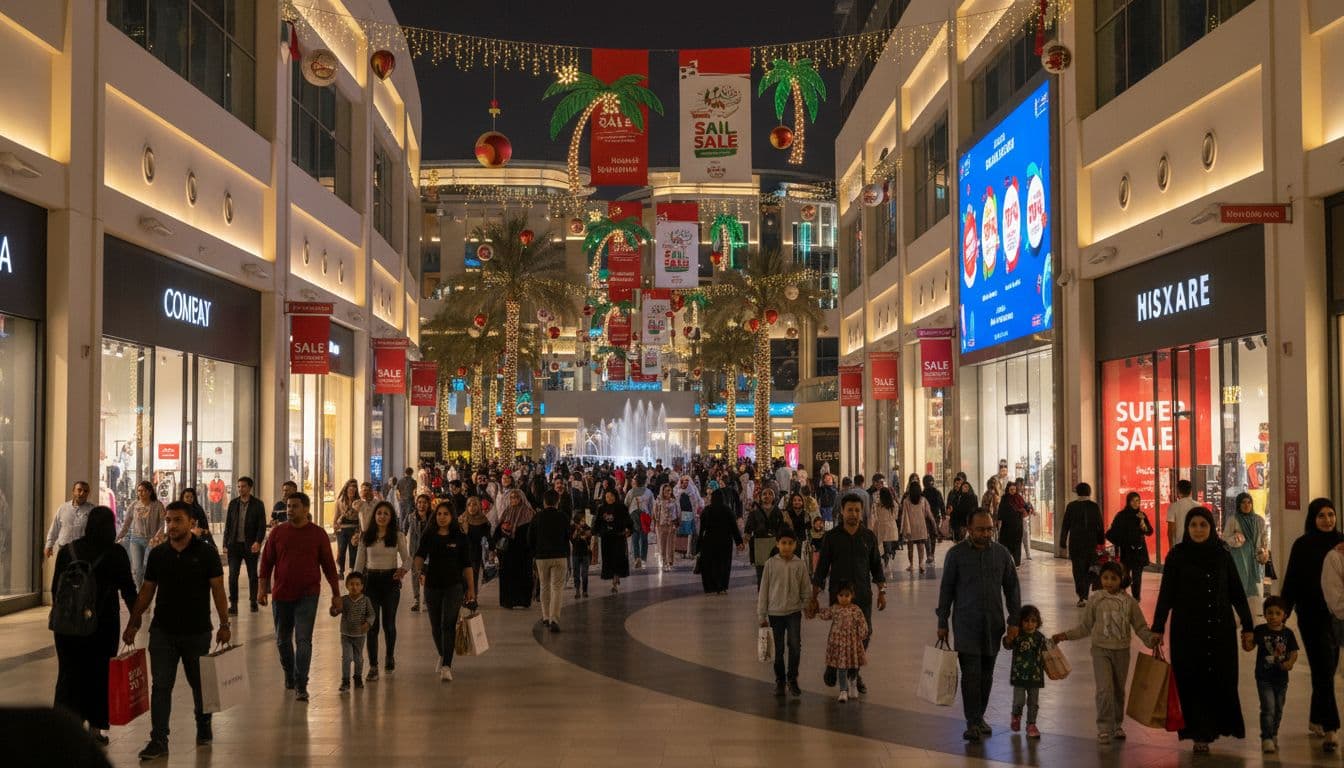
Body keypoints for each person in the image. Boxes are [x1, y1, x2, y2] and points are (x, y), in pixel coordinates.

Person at [121, 502, 229, 761]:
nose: (171, 526)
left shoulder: (206, 554)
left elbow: (217, 590)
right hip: (163, 632)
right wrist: (134, 622)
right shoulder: (158, 555)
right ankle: (159, 738)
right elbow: (147, 590)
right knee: (161, 686)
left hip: (197, 631)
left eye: (177, 520)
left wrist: (225, 624)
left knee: (199, 684)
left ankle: (203, 722)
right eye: (168, 520)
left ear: (191, 523)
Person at [1151, 506, 1255, 753]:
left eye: (1203, 525)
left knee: (1218, 679)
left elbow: (1237, 593)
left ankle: (1213, 728)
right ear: (1187, 528)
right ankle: (1199, 732)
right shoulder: (1177, 556)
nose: (1198, 530)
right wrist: (1157, 627)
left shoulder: (1222, 554)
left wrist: (1248, 626)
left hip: (1220, 629)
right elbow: (1166, 594)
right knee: (1192, 680)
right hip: (1187, 630)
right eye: (1193, 525)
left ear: (1211, 527)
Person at [51, 506, 136, 745]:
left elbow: (55, 587)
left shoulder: (68, 550)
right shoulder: (116, 552)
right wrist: (134, 622)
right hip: (103, 624)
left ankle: (66, 728)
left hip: (68, 627)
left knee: (68, 675)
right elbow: (129, 590)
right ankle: (95, 730)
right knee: (99, 676)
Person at [936, 510, 1022, 742]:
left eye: (989, 529)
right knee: (971, 674)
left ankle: (979, 715)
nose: (986, 533)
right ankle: (972, 720)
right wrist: (942, 621)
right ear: (968, 529)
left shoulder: (1002, 554)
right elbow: (946, 591)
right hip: (966, 625)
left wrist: (1015, 620)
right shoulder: (956, 555)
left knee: (987, 675)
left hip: (993, 626)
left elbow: (1012, 588)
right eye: (981, 529)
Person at [1052, 560, 1159, 743]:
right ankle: (1103, 726)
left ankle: (1117, 725)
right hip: (1100, 651)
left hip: (1122, 652)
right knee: (1104, 689)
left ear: (1121, 579)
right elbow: (1085, 627)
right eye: (1105, 578)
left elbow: (1140, 626)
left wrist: (1151, 640)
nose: (1108, 582)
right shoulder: (1095, 599)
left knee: (1118, 690)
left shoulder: (1129, 602)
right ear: (1100, 579)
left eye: (1113, 578)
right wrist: (1065, 635)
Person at [258, 492, 342, 702]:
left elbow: (329, 567)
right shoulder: (278, 533)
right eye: (288, 506)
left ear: (306, 509)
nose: (289, 510)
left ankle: (301, 683)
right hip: (281, 594)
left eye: (294, 506)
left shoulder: (318, 534)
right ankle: (289, 673)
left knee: (303, 640)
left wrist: (336, 594)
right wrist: (261, 589)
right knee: (282, 640)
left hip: (308, 595)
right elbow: (266, 563)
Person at [1281, 497, 1344, 752]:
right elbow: (1292, 581)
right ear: (1312, 518)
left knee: (1328, 669)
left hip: (1337, 617)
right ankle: (1331, 727)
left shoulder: (1342, 544)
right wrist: (1282, 612)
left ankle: (1316, 717)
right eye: (1321, 515)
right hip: (1311, 616)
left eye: (1331, 514)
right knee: (1323, 667)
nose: (1327, 520)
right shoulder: (1303, 545)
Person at [809, 494, 886, 696]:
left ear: (862, 513)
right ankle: (834, 666)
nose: (853, 514)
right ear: (842, 512)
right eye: (849, 510)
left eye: (857, 510)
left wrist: (881, 591)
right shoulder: (832, 537)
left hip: (862, 595)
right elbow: (822, 568)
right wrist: (814, 595)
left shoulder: (868, 537)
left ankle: (853, 672)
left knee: (865, 633)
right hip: (839, 597)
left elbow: (877, 567)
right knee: (839, 637)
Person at [414, 502, 477, 681]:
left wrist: (471, 589)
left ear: (452, 517)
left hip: (454, 586)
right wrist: (419, 571)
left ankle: (447, 665)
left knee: (448, 625)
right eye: (439, 514)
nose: (441, 517)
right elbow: (419, 555)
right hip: (432, 586)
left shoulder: (460, 537)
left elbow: (467, 565)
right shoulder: (429, 535)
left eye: (445, 514)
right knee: (435, 626)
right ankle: (443, 654)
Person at [354, 501, 410, 678]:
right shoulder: (366, 537)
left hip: (390, 582)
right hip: (371, 583)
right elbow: (359, 562)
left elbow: (407, 559)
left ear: (391, 517)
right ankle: (373, 665)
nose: (382, 516)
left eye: (386, 513)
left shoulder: (397, 536)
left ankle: (390, 656)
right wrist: (355, 584)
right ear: (374, 516)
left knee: (389, 624)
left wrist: (402, 570)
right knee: (372, 626)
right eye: (379, 513)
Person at [758, 529, 809, 696]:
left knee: (795, 646)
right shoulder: (770, 564)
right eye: (783, 543)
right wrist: (762, 615)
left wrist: (806, 604)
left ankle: (792, 678)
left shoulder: (799, 564)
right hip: (775, 613)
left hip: (794, 612)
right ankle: (780, 680)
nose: (786, 547)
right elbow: (764, 590)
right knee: (778, 650)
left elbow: (805, 588)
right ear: (777, 544)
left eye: (790, 543)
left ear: (795, 545)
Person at [1249, 595, 1299, 754]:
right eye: (1269, 612)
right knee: (1268, 708)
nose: (1273, 616)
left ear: (1284, 615)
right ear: (1265, 614)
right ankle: (1267, 738)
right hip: (1264, 677)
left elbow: (1293, 652)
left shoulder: (1288, 633)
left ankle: (1274, 733)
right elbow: (1250, 647)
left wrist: (1290, 663)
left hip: (1282, 679)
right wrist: (1246, 640)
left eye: (1278, 613)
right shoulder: (1260, 630)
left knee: (1278, 709)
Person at [814, 582, 868, 703]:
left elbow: (862, 623)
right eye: (841, 595)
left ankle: (853, 684)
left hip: (852, 644)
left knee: (853, 666)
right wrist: (815, 610)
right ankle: (843, 690)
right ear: (837, 596)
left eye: (847, 595)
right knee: (841, 668)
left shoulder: (856, 610)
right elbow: (826, 614)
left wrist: (862, 633)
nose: (843, 598)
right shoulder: (835, 608)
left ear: (852, 595)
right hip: (838, 644)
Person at [221, 476, 266, 615]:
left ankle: (253, 601)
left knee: (253, 575)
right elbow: (228, 524)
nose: (240, 489)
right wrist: (225, 543)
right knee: (233, 575)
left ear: (250, 488)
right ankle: (233, 604)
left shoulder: (258, 504)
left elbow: (261, 525)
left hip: (250, 545)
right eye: (238, 486)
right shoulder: (233, 503)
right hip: (234, 545)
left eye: (243, 486)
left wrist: (258, 542)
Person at [529, 490, 571, 632]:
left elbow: (530, 538)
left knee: (544, 586)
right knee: (557, 588)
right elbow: (568, 536)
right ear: (557, 501)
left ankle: (546, 617)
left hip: (541, 557)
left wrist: (534, 554)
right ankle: (554, 619)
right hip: (560, 556)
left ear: (544, 502)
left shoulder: (537, 517)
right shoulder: (563, 517)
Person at [1004, 605, 1048, 739]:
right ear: (1020, 622)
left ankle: (1031, 725)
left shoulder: (1040, 638)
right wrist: (1008, 638)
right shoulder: (1018, 636)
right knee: (1019, 701)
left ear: (1038, 622)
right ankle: (1016, 716)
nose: (1030, 624)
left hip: (1035, 676)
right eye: (1026, 621)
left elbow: (1047, 653)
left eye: (1033, 621)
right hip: (1019, 676)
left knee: (1033, 703)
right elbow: (1007, 645)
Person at [1059, 483, 1106, 607]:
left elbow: (1065, 525)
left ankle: (1082, 596)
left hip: (1076, 544)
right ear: (1089, 492)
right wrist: (1101, 541)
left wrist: (1063, 542)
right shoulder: (1094, 507)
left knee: (1078, 570)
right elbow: (1100, 525)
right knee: (1090, 569)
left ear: (1077, 492)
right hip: (1091, 543)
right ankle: (1085, 593)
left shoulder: (1071, 506)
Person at [492, 488, 536, 609]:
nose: (513, 500)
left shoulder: (528, 512)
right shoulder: (507, 511)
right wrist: (503, 529)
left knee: (523, 576)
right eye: (511, 497)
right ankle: (508, 601)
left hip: (523, 552)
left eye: (516, 497)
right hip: (507, 552)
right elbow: (497, 531)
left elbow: (531, 533)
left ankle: (523, 600)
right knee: (507, 576)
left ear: (521, 498)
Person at [116, 481, 164, 588]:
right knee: (137, 569)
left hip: (152, 541)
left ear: (150, 492)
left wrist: (157, 537)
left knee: (147, 566)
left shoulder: (157, 505)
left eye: (143, 491)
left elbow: (163, 523)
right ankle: (139, 590)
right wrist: (118, 537)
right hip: (136, 539)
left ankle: (148, 590)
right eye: (139, 491)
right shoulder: (134, 505)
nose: (140, 493)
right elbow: (127, 523)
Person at [1106, 492, 1153, 599]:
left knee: (1137, 576)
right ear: (1128, 502)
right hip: (1127, 551)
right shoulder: (1121, 515)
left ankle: (1136, 598)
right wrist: (1121, 542)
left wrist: (1143, 522)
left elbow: (1149, 531)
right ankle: (1122, 595)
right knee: (1125, 575)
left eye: (1138, 501)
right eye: (1133, 501)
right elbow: (1111, 533)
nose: (1136, 503)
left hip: (1139, 550)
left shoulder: (1141, 515)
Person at [699, 488, 744, 594]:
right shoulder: (728, 510)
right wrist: (739, 542)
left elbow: (702, 530)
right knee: (723, 564)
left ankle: (710, 587)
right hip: (725, 542)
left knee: (710, 564)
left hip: (709, 541)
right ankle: (722, 586)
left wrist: (698, 544)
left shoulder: (707, 510)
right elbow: (734, 528)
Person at [1224, 492, 1268, 599]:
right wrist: (1236, 538)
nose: (1246, 505)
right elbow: (1225, 539)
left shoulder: (1259, 520)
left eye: (1249, 502)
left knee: (1257, 590)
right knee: (1241, 586)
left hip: (1256, 558)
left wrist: (1264, 551)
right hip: (1240, 558)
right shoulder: (1233, 520)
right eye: (1243, 502)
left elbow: (1264, 538)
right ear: (1238, 504)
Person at [337, 572, 373, 693]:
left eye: (357, 584)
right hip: (346, 634)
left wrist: (367, 623)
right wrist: (334, 609)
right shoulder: (344, 600)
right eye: (351, 584)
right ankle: (345, 681)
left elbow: (372, 614)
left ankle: (358, 678)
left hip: (360, 635)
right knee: (346, 658)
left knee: (358, 659)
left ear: (362, 586)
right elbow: (336, 611)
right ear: (347, 585)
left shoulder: (366, 600)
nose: (354, 587)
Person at [593, 489, 632, 592]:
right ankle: (614, 577)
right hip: (606, 538)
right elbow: (597, 522)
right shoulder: (601, 508)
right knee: (609, 559)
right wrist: (596, 533)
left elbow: (628, 520)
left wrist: (629, 530)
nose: (609, 498)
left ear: (615, 496)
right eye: (607, 496)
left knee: (618, 558)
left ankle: (615, 579)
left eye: (611, 496)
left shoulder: (622, 507)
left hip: (618, 537)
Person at [44, 481, 93, 558]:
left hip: (82, 552)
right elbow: (55, 528)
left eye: (85, 491)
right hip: (63, 550)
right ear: (73, 491)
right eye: (79, 490)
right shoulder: (63, 508)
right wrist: (49, 545)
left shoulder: (92, 510)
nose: (82, 493)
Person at [403, 494, 432, 612]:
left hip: (430, 551)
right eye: (419, 502)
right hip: (415, 550)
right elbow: (403, 528)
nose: (422, 505)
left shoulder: (433, 517)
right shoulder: (411, 517)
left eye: (424, 502)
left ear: (428, 504)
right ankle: (416, 599)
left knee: (428, 575)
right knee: (415, 574)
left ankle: (426, 600)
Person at [900, 480, 936, 574]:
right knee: (921, 547)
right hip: (921, 526)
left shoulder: (906, 501)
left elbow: (904, 515)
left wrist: (902, 528)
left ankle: (911, 565)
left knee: (910, 548)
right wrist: (933, 523)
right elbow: (929, 513)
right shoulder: (923, 500)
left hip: (910, 528)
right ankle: (921, 564)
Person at [461, 495, 491, 595]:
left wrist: (491, 551)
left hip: (475, 553)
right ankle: (463, 596)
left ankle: (472, 596)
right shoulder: (462, 519)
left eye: (474, 505)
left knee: (473, 576)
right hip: (462, 552)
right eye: (469, 505)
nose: (472, 507)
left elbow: (488, 537)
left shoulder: (483, 521)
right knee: (462, 576)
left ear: (479, 506)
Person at [332, 480, 361, 577]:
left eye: (354, 488)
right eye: (350, 488)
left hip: (354, 529)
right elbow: (336, 516)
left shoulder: (359, 502)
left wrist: (360, 530)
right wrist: (334, 528)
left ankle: (352, 570)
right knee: (341, 550)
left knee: (353, 550)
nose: (352, 490)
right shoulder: (340, 501)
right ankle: (341, 571)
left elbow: (361, 518)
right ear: (346, 489)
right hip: (342, 529)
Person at [995, 481, 1027, 568]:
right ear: (1008, 490)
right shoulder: (1005, 498)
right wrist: (998, 523)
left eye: (1014, 489)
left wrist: (1025, 510)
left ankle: (1017, 563)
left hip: (1017, 526)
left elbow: (1025, 507)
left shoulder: (1019, 498)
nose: (1013, 491)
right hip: (1007, 527)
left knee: (1016, 545)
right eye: (1011, 489)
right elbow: (1001, 513)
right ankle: (1005, 563)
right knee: (1005, 545)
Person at [624, 476, 654, 570]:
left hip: (633, 516)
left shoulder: (631, 492)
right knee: (644, 538)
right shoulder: (648, 492)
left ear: (636, 482)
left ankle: (637, 558)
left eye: (633, 479)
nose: (632, 480)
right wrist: (651, 517)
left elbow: (626, 503)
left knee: (635, 537)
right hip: (645, 516)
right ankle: (643, 558)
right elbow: (652, 505)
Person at [872, 487, 899, 571]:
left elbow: (875, 515)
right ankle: (890, 553)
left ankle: (886, 556)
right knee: (889, 541)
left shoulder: (878, 504)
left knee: (882, 543)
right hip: (891, 525)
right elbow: (896, 515)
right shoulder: (893, 503)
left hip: (881, 525)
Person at [653, 483, 679, 570]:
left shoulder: (674, 501)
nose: (668, 492)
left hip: (672, 524)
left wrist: (677, 522)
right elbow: (656, 512)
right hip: (662, 525)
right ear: (662, 492)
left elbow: (678, 512)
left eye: (669, 490)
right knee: (662, 544)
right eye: (666, 491)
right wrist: (656, 523)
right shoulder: (659, 500)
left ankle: (670, 561)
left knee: (671, 544)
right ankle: (664, 561)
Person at [1166, 479, 1197, 549]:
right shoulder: (1198, 506)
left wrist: (1171, 547)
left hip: (1179, 544)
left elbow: (1171, 530)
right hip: (1195, 543)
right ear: (1190, 491)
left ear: (1178, 491)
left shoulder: (1173, 506)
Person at [570, 509, 593, 598]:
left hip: (585, 553)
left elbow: (589, 537)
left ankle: (585, 590)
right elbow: (572, 539)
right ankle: (577, 590)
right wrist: (577, 530)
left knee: (584, 573)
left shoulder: (587, 527)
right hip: (576, 553)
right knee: (576, 573)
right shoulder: (572, 528)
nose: (583, 522)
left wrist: (586, 536)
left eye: (584, 520)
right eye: (582, 520)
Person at [923, 475, 945, 564]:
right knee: (932, 536)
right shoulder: (936, 492)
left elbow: (941, 504)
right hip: (934, 516)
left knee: (927, 535)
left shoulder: (923, 493)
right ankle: (931, 554)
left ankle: (929, 554)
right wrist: (943, 514)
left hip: (927, 517)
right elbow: (942, 504)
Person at [950, 477, 977, 542]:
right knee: (960, 540)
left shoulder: (973, 497)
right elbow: (955, 509)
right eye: (963, 487)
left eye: (967, 487)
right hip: (959, 521)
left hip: (969, 520)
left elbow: (975, 508)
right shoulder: (958, 497)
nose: (965, 488)